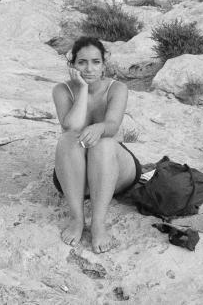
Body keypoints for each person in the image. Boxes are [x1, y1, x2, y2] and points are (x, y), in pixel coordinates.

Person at [52, 36, 141, 253]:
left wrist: (99, 128)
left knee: (103, 144)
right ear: (72, 65)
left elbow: (112, 125)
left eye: (95, 62)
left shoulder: (117, 88)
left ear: (104, 64)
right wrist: (82, 89)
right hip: (76, 176)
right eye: (82, 62)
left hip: (112, 169)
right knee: (67, 139)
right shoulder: (62, 90)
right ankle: (77, 219)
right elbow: (71, 126)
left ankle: (98, 224)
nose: (89, 69)